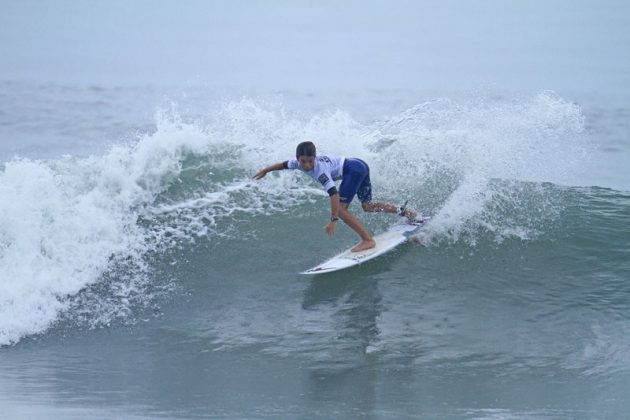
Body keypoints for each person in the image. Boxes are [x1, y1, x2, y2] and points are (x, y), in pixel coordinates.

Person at [253, 141, 417, 252]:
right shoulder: (296, 163)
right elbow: (282, 165)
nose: (307, 165)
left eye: (310, 161)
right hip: (359, 164)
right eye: (303, 162)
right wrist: (266, 170)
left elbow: (334, 194)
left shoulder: (320, 172)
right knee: (367, 206)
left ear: (314, 158)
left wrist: (333, 220)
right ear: (298, 159)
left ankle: (368, 240)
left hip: (353, 170)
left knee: (341, 210)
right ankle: (406, 212)